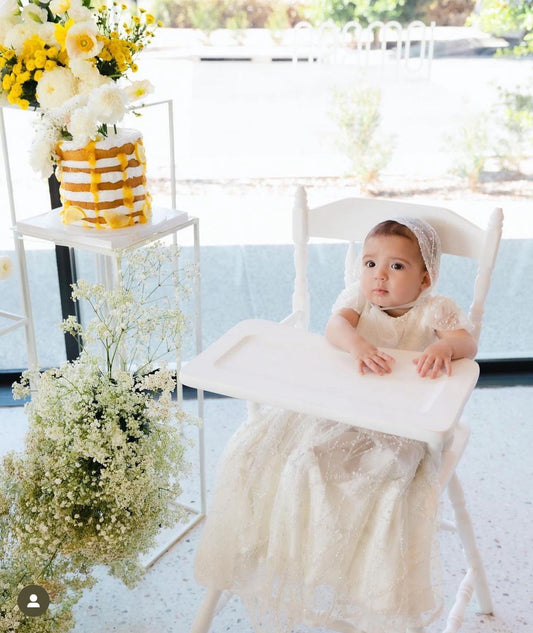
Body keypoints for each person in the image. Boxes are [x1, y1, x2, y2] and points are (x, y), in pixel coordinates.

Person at [194, 217, 477, 633]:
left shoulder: (435, 308)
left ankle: (362, 574)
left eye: (396, 266)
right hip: (341, 406)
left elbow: (468, 344)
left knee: (378, 481)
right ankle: (288, 545)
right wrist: (358, 344)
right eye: (369, 263)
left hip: (400, 422)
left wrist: (443, 345)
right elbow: (335, 327)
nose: (378, 274)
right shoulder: (358, 301)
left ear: (425, 278)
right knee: (280, 456)